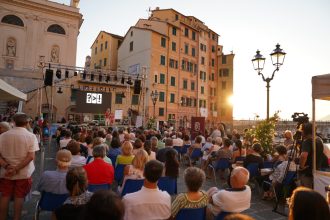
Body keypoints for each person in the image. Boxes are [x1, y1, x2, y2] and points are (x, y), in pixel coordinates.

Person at [0, 113, 39, 220]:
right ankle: (16, 218)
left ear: (13, 122)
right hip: (23, 173)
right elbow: (31, 156)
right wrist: (16, 168)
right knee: (19, 196)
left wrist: (8, 167)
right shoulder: (31, 136)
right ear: (27, 123)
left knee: (5, 195)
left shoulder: (2, 136)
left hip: (6, 172)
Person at [299, 122, 328, 188]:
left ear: (305, 131)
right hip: (316, 170)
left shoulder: (307, 141)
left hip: (307, 172)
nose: (301, 132)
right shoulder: (319, 140)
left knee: (306, 192)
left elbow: (303, 155)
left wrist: (301, 166)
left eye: (302, 131)